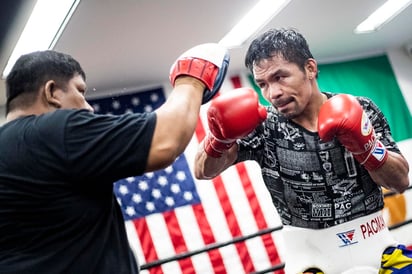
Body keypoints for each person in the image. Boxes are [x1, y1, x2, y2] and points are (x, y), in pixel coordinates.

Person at [194, 28, 412, 273]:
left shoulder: (361, 108)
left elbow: (400, 181)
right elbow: (202, 170)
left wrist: (368, 147)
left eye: (280, 77)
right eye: (262, 84)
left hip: (378, 248)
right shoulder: (263, 126)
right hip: (311, 261)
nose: (272, 93)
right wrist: (219, 139)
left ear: (310, 68)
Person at [0, 43, 229, 273]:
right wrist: (192, 77)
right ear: (52, 92)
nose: (88, 108)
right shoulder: (53, 131)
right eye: (80, 91)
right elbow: (166, 140)